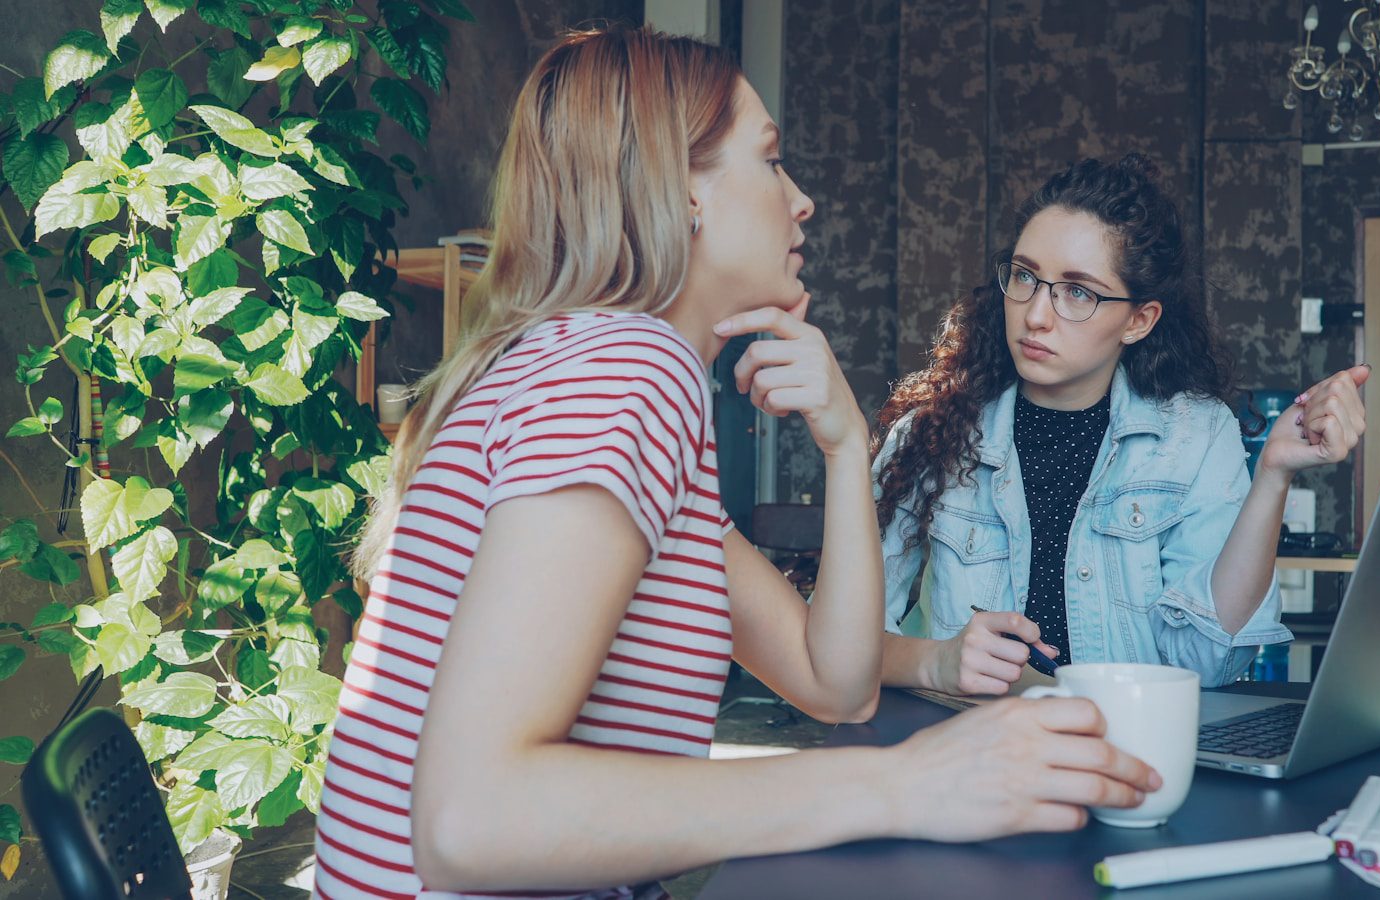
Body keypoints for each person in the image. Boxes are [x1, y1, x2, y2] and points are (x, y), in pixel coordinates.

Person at [314, 29, 1161, 900]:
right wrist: (905, 785)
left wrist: (841, 444)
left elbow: (835, 683)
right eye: (772, 162)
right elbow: (471, 821)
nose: (802, 201)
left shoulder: (586, 368)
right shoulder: (623, 372)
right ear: (683, 191)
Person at [873, 155, 1369, 695]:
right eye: (1025, 276)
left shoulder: (1195, 437)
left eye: (1078, 291)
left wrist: (1273, 474)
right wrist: (938, 660)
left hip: (1135, 757)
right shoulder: (933, 433)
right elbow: (839, 647)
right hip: (975, 757)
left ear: (1139, 320)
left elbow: (1208, 660)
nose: (1036, 314)